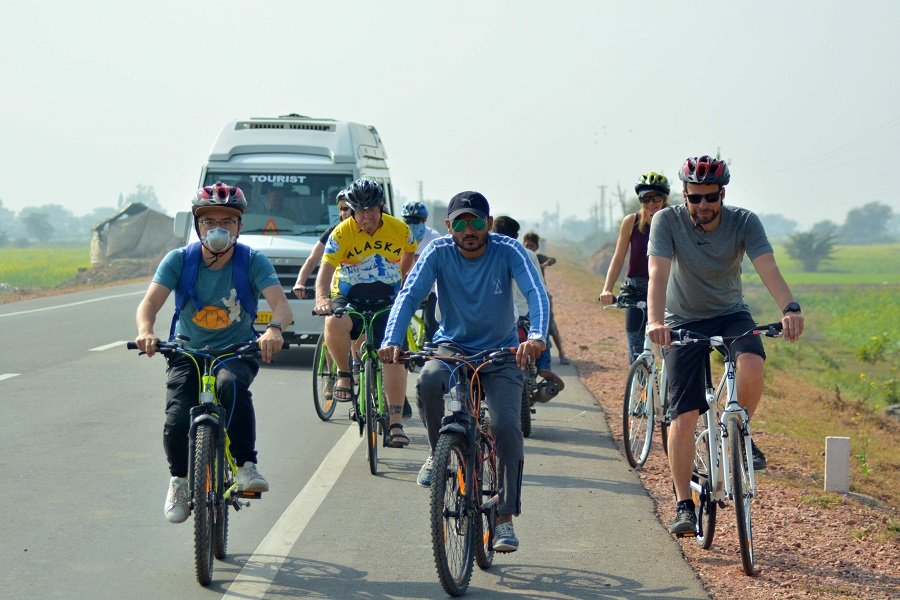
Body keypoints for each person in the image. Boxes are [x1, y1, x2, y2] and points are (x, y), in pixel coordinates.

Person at [379, 191, 549, 553]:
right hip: (452, 349)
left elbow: (536, 292)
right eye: (460, 223)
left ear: (489, 223)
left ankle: (504, 517)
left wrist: (536, 335)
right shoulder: (438, 252)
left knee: (506, 426)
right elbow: (409, 295)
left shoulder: (509, 250)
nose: (468, 230)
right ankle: (437, 453)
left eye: (475, 221)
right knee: (428, 380)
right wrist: (392, 339)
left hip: (501, 353)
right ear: (448, 226)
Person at [645, 155, 804, 536]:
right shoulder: (666, 221)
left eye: (710, 197)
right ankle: (683, 503)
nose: (703, 205)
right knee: (683, 416)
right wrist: (654, 320)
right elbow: (657, 274)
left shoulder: (744, 222)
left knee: (752, 364)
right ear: (684, 195)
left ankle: (739, 431)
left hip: (731, 313)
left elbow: (767, 267)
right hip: (682, 320)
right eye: (694, 197)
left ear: (723, 194)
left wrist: (790, 308)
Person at [134, 182, 293, 524]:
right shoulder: (180, 260)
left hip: (237, 350)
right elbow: (150, 303)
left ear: (239, 226)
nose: (217, 229)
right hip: (187, 350)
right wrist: (146, 331)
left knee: (229, 386)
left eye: (227, 221)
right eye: (209, 221)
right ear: (198, 225)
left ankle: (246, 465)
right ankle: (179, 481)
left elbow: (281, 305)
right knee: (177, 418)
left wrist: (273, 330)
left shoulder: (252, 261)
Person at [313, 178, 418, 446]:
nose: (366, 216)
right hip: (350, 295)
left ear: (381, 206)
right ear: (352, 210)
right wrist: (322, 298)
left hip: (387, 297)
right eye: (359, 211)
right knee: (334, 321)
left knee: (393, 356)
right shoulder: (341, 233)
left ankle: (395, 424)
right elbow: (325, 271)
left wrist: (403, 279)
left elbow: (410, 253)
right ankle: (344, 375)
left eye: (371, 209)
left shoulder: (400, 228)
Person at [599, 172, 671, 361]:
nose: (651, 203)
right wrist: (607, 289)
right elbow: (618, 258)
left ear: (664, 198)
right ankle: (639, 379)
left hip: (667, 289)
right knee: (636, 351)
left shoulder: (674, 221)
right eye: (645, 199)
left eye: (656, 198)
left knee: (672, 351)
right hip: (636, 289)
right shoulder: (631, 222)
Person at [493, 217, 564, 393]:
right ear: (517, 236)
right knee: (542, 330)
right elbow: (540, 292)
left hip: (499, 317)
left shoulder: (487, 254)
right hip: (525, 313)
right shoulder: (528, 255)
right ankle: (544, 366)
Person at [292, 190, 352, 299]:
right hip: (340, 294)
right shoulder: (333, 233)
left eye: (350, 208)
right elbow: (313, 259)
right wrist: (300, 283)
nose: (347, 213)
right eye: (343, 209)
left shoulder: (370, 232)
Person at [522, 231, 569, 365]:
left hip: (541, 295)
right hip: (524, 296)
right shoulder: (520, 258)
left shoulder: (538, 258)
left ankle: (561, 354)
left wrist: (544, 264)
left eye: (532, 246)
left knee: (549, 326)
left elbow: (553, 260)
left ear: (536, 247)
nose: (529, 248)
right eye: (527, 245)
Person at [400, 200, 442, 343]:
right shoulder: (397, 236)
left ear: (424, 221)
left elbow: (440, 269)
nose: (411, 225)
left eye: (416, 221)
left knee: (432, 325)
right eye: (407, 221)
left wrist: (427, 289)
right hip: (406, 283)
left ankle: (430, 344)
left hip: (431, 286)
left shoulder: (434, 238)